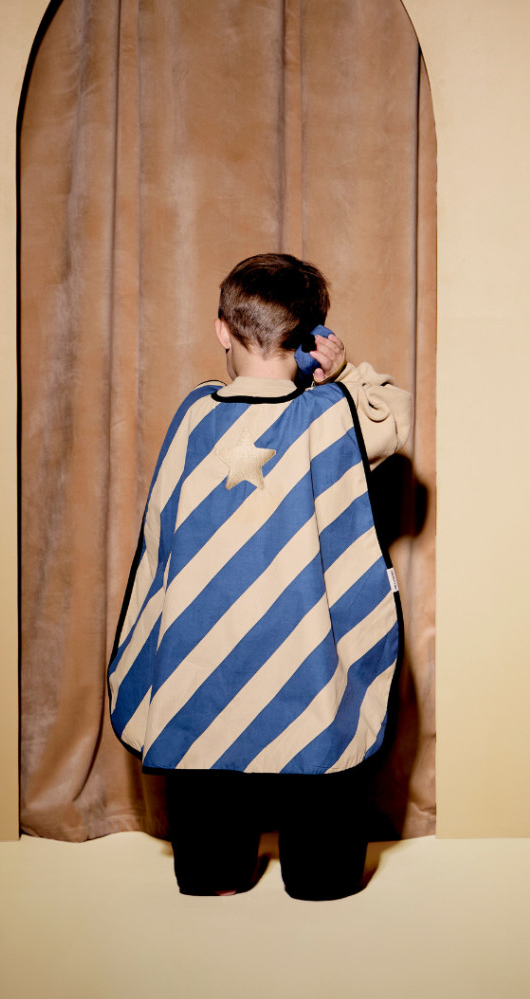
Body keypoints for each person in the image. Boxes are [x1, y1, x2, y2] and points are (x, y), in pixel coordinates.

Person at [107, 253, 411, 899]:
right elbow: (395, 421)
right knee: (325, 748)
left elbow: (163, 536)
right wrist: (343, 372)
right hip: (306, 649)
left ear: (223, 329)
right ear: (310, 336)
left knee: (202, 748)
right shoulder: (333, 413)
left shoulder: (195, 415)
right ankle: (320, 881)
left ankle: (215, 874)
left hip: (201, 655)